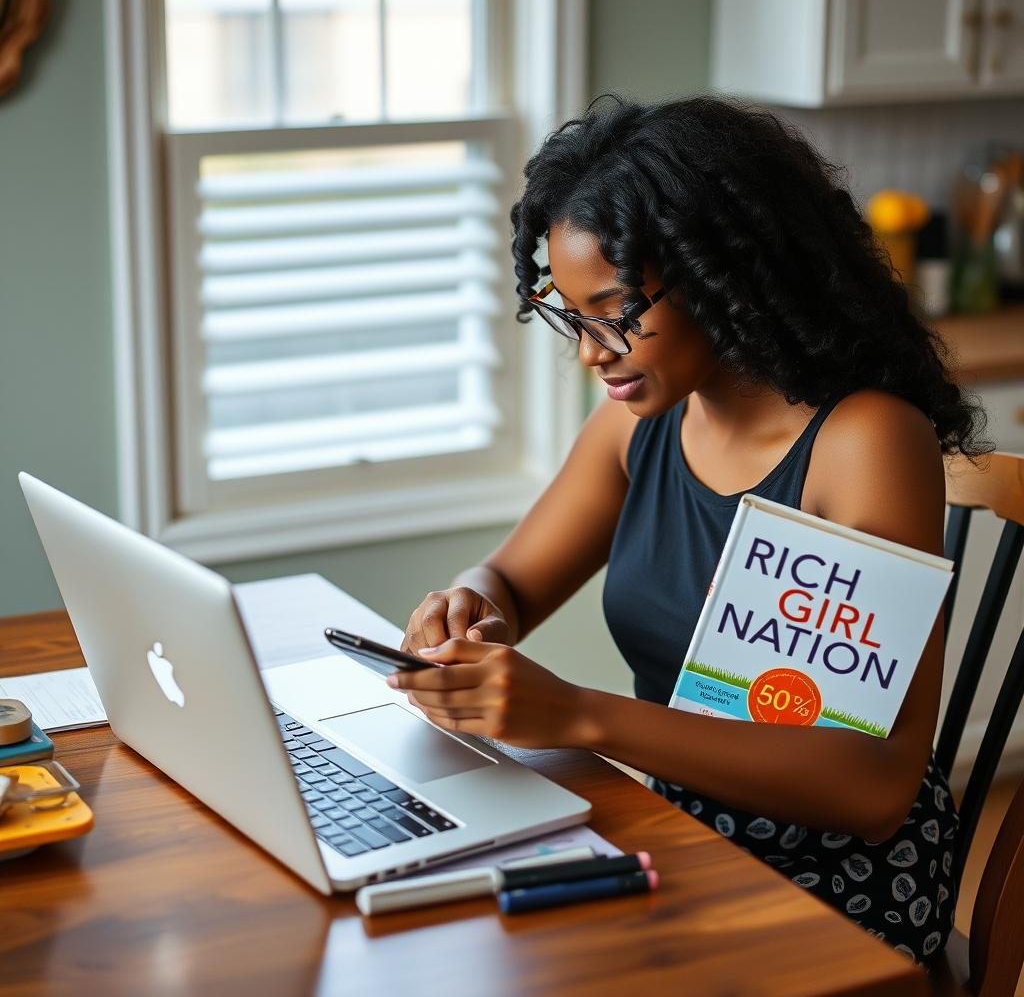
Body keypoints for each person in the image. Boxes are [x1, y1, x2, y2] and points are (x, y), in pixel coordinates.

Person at [386, 94, 989, 968]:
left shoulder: (862, 442)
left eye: (619, 311)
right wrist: (465, 609)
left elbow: (872, 787)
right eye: (572, 311)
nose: (593, 351)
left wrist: (581, 715)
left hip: (837, 884)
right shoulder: (645, 422)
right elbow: (511, 581)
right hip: (686, 836)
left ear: (723, 273)